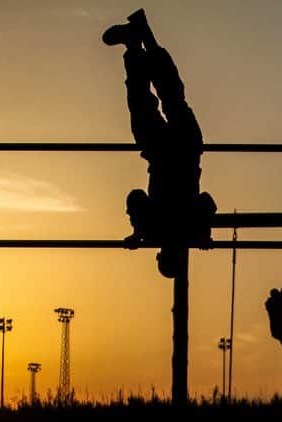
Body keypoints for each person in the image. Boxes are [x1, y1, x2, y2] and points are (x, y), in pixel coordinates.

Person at [103, 9, 217, 278]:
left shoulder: (166, 231)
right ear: (160, 255)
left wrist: (202, 232)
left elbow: (206, 202)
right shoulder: (156, 230)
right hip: (173, 156)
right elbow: (136, 197)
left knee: (165, 98)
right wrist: (138, 231)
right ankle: (138, 42)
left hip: (179, 155)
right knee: (158, 100)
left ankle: (139, 40)